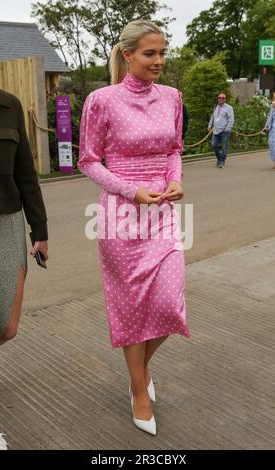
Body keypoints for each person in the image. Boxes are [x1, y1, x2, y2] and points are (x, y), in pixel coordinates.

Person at [78, 20, 190, 436]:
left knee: (168, 304)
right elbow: (88, 161)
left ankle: (137, 372)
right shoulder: (101, 101)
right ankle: (139, 389)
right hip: (121, 217)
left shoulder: (173, 97)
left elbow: (174, 150)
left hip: (163, 214)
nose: (159, 61)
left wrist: (176, 179)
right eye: (150, 53)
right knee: (130, 307)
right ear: (127, 55)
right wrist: (130, 191)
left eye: (162, 52)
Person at [0, 35, 48, 450]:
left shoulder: (8, 104)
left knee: (5, 327)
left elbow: (27, 173)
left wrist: (40, 231)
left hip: (7, 224)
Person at [208, 92, 234, 168]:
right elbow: (212, 117)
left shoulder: (229, 108)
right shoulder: (216, 106)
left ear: (225, 99)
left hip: (225, 131)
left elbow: (231, 119)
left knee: (224, 147)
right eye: (220, 98)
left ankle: (222, 161)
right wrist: (210, 125)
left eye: (223, 98)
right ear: (218, 99)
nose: (221, 99)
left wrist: (228, 128)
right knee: (214, 145)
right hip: (216, 130)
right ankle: (219, 158)